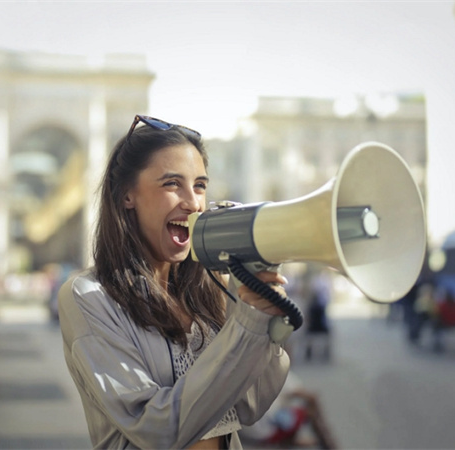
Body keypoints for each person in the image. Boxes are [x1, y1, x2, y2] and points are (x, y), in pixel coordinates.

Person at [58, 115, 291, 449]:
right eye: (171, 184)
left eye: (199, 185)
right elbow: (155, 429)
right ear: (127, 195)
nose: (193, 202)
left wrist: (263, 323)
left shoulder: (212, 287)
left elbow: (248, 405)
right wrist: (244, 326)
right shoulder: (89, 296)